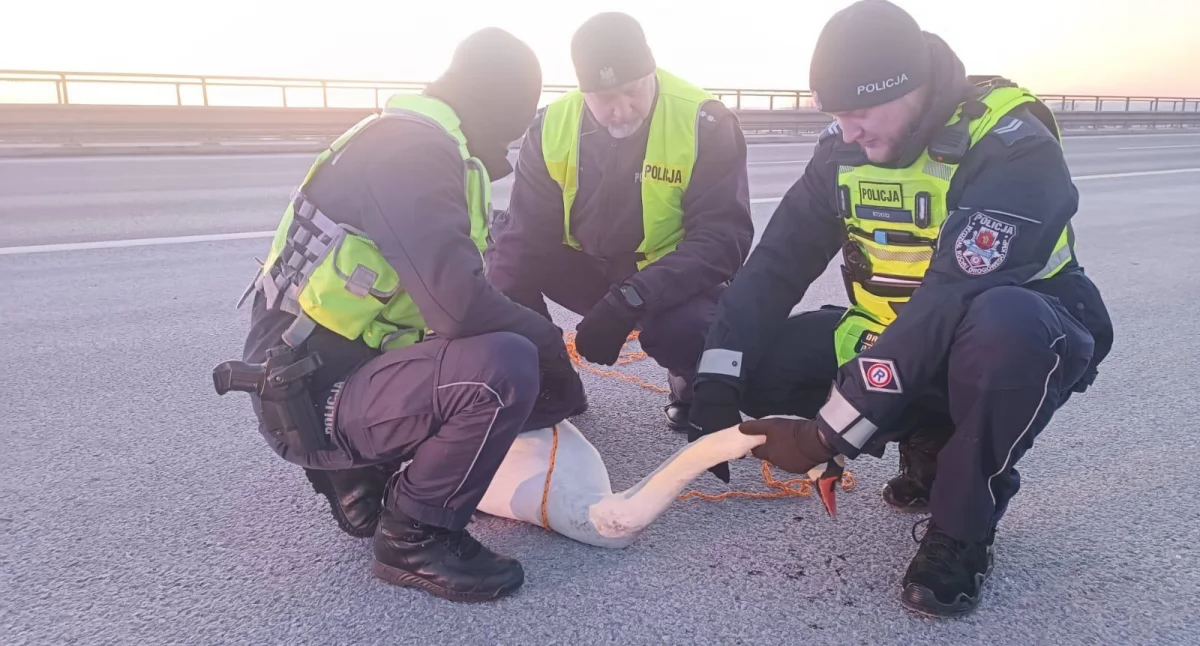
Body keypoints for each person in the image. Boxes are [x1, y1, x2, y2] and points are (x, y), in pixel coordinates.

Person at [687, 0, 1114, 618]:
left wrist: (827, 432)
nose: (847, 130)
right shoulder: (843, 150)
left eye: (859, 112)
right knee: (767, 365)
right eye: (835, 114)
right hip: (900, 334)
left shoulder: (1010, 146)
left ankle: (963, 529)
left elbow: (949, 300)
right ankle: (930, 440)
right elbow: (776, 263)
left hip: (1016, 335)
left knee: (1003, 330)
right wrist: (717, 376)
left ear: (912, 88)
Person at [217, 27, 586, 603]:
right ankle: (415, 537)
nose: (508, 150)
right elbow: (458, 307)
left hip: (309, 379)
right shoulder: (411, 152)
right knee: (503, 364)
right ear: (494, 105)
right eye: (511, 130)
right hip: (309, 396)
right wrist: (548, 347)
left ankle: (358, 479)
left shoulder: (406, 139)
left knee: (480, 354)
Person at [484, 12, 754, 449]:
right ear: (582, 90)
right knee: (501, 271)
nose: (621, 109)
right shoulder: (551, 124)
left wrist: (633, 297)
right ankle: (555, 383)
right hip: (587, 266)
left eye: (633, 91)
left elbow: (726, 240)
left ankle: (689, 379)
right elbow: (527, 238)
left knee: (687, 331)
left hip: (669, 276)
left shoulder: (705, 122)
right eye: (604, 97)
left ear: (652, 72)